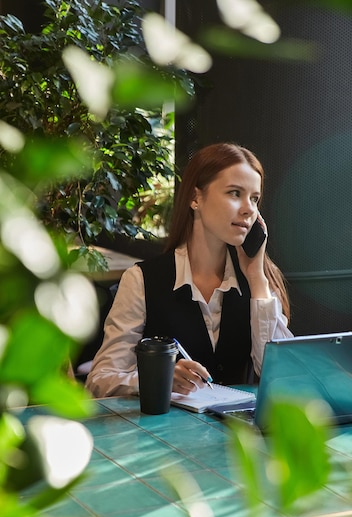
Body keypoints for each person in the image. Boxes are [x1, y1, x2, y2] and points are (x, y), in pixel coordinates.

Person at [86, 142, 292, 398]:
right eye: (234, 193)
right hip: (166, 435)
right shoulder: (142, 280)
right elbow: (99, 380)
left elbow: (283, 377)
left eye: (254, 198)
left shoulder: (259, 281)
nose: (249, 208)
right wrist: (158, 378)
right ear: (196, 198)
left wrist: (256, 278)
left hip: (239, 434)